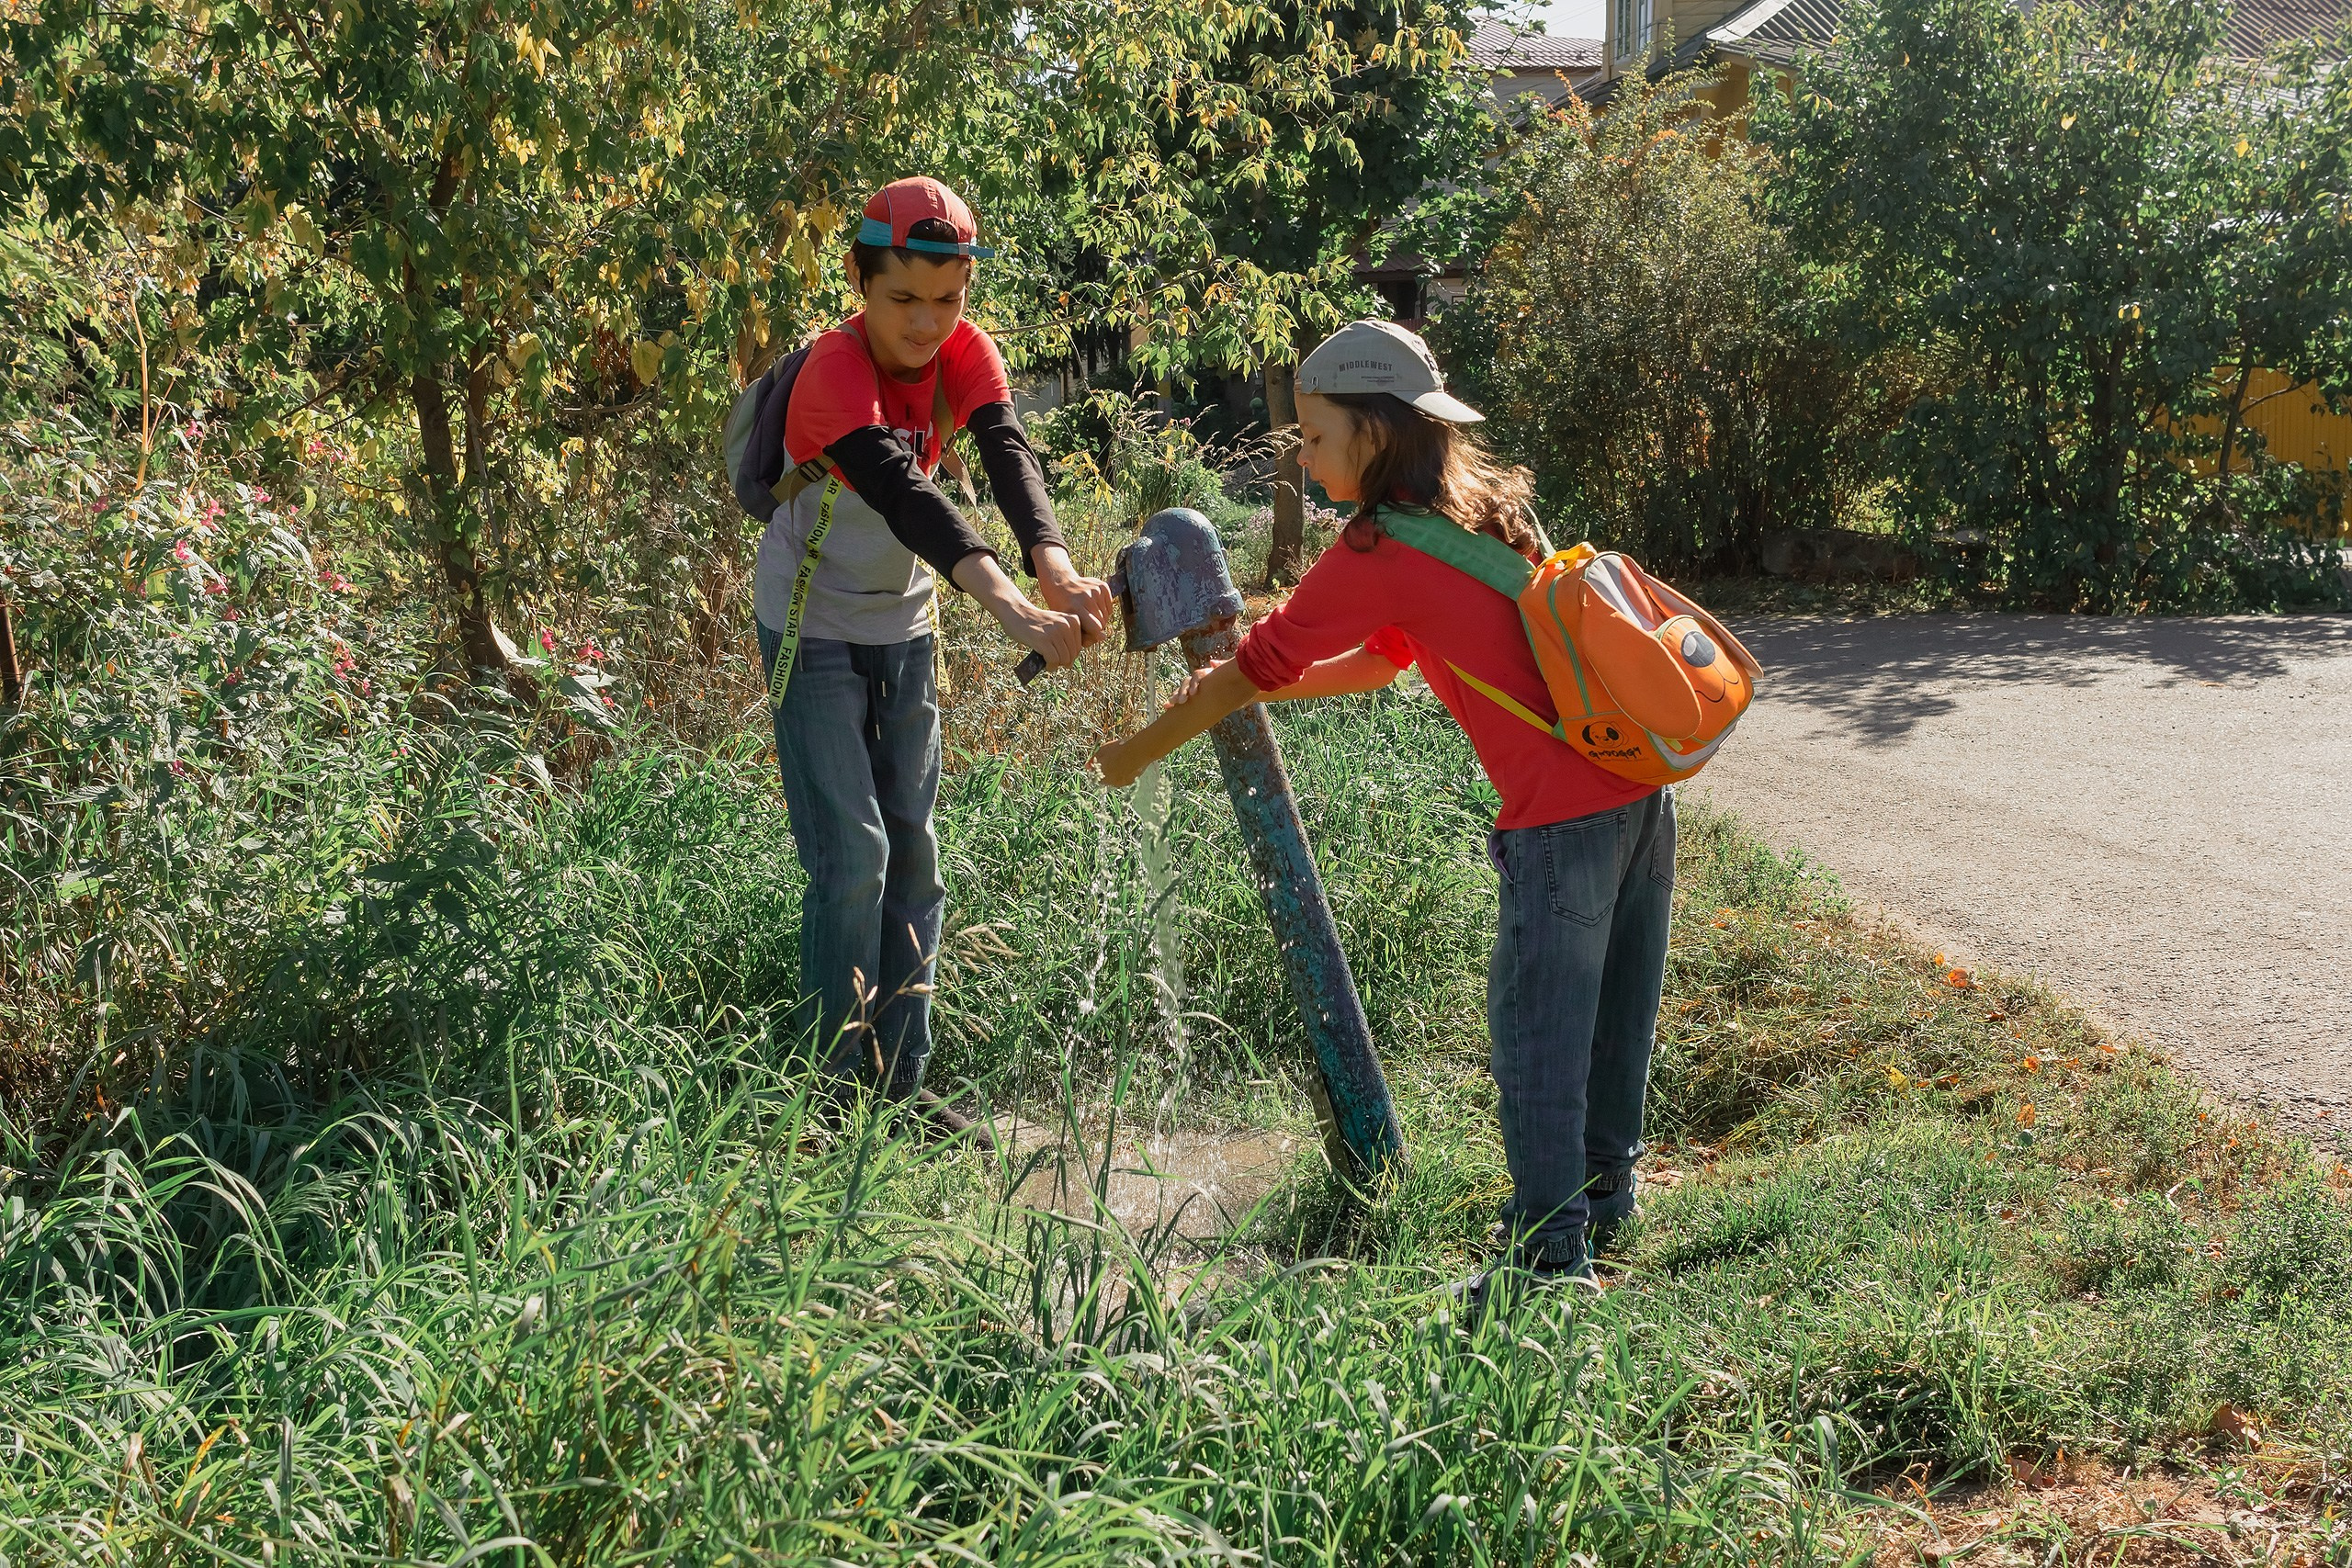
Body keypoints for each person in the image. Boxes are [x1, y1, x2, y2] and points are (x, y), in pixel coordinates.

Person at [1091, 319, 1672, 1303]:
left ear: (1373, 431)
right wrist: (1245, 689)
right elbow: (1381, 661)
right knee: (1614, 1017)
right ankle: (1605, 1200)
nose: (1303, 457)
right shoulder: (1482, 514)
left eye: (1316, 436)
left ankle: (1546, 1263)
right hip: (1636, 793)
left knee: (1535, 1037)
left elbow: (1258, 663)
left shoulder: (1376, 549)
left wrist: (1133, 754)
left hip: (1558, 824)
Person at [755, 176, 1113, 1141]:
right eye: (902, 297)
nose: (925, 323)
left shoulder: (963, 348)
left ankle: (901, 1089)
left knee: (913, 853)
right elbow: (908, 496)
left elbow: (1005, 454)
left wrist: (1057, 570)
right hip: (810, 625)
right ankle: (826, 1101)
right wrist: (1015, 610)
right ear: (859, 280)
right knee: (854, 859)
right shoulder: (834, 371)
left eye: (948, 299)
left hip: (904, 624)